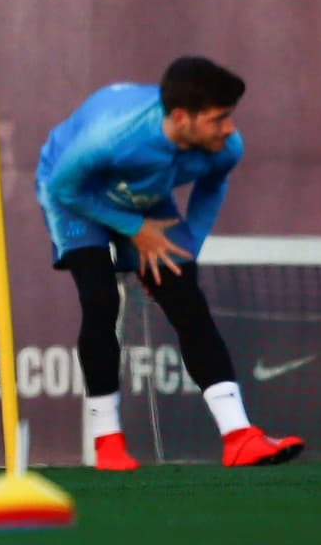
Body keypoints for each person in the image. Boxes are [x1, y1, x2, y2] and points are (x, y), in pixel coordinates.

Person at [36, 56, 304, 470]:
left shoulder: (225, 147)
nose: (229, 128)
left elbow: (211, 188)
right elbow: (64, 189)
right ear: (181, 118)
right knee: (100, 299)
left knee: (185, 295)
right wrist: (135, 229)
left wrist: (185, 252)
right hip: (76, 194)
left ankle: (238, 436)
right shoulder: (114, 137)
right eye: (218, 119)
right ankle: (107, 441)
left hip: (144, 195)